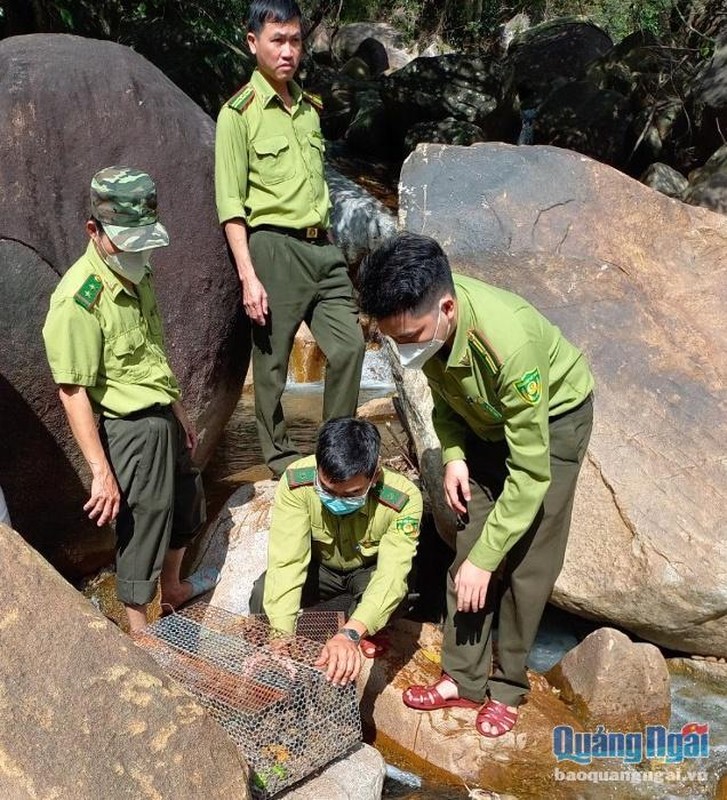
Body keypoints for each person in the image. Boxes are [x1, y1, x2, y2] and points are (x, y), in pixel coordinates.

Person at [357, 233, 594, 736]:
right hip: (484, 422)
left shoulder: (509, 346)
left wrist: (491, 559)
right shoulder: (427, 332)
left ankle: (507, 687)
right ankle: (462, 680)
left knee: (528, 560)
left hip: (551, 420)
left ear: (446, 308)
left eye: (410, 337)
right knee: (468, 548)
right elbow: (447, 402)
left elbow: (531, 476)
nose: (402, 351)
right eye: (392, 341)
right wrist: (456, 457)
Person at [42, 167, 218, 632]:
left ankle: (175, 587)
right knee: (144, 520)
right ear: (93, 231)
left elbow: (151, 348)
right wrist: (101, 472)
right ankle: (139, 631)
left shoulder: (136, 268)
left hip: (162, 411)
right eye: (126, 239)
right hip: (131, 426)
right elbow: (73, 389)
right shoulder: (80, 299)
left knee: (188, 501)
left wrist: (179, 407)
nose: (137, 249)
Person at [215, 0, 365, 477]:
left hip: (324, 247)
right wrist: (248, 276)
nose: (288, 51)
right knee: (273, 367)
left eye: (295, 40)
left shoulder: (310, 110)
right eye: (277, 40)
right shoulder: (237, 115)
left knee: (349, 347)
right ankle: (279, 459)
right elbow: (230, 205)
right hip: (273, 248)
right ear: (252, 42)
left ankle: (335, 455)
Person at [249, 417, 422, 686]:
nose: (336, 501)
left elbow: (391, 576)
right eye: (328, 491)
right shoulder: (296, 481)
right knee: (262, 592)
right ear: (318, 467)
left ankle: (360, 627)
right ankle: (270, 657)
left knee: (398, 596)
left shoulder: (403, 498)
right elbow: (287, 561)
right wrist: (280, 637)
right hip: (322, 569)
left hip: (368, 570)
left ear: (374, 476)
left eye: (351, 494)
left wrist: (350, 635)